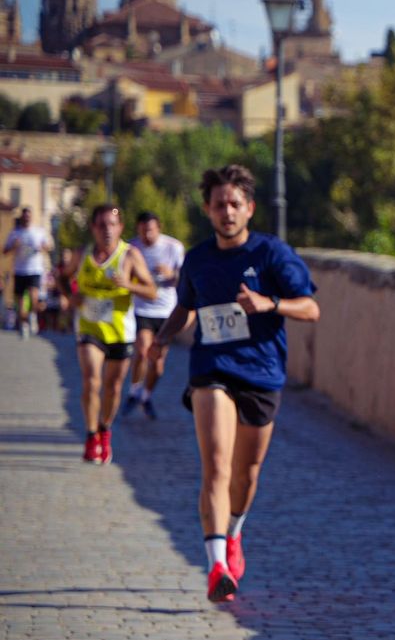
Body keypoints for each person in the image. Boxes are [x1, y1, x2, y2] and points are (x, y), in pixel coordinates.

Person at [151, 165, 318, 604]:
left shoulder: (272, 254)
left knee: (247, 474)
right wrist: (162, 339)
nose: (227, 212)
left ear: (250, 208)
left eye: (234, 204)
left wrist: (270, 303)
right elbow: (185, 308)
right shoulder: (198, 259)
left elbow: (310, 308)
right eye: (219, 204)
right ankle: (217, 566)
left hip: (261, 373)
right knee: (217, 466)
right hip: (212, 368)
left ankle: (235, 532)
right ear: (208, 210)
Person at [63, 204, 158, 464]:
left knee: (113, 387)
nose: (107, 230)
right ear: (93, 228)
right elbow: (62, 276)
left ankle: (105, 429)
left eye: (112, 225)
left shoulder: (130, 256)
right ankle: (90, 434)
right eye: (102, 225)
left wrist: (129, 285)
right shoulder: (82, 254)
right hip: (89, 328)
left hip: (120, 332)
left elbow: (152, 291)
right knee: (91, 380)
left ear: (120, 228)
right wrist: (71, 295)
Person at [128, 211, 185, 418]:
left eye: (150, 230)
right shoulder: (132, 248)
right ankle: (134, 391)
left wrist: (172, 274)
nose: (147, 235)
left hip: (166, 310)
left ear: (159, 228)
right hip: (142, 308)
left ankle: (146, 396)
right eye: (143, 231)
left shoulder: (173, 247)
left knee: (157, 364)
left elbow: (185, 278)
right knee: (142, 350)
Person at [5, 207, 55, 338]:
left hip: (34, 269)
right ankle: (24, 323)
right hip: (20, 270)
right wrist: (13, 246)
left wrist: (44, 247)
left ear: (31, 217)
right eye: (25, 216)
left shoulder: (38, 232)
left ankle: (32, 316)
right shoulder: (15, 233)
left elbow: (49, 246)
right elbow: (5, 250)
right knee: (21, 302)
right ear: (22, 217)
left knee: (34, 297)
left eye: (29, 216)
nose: (27, 218)